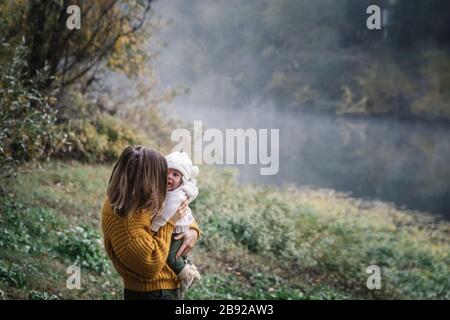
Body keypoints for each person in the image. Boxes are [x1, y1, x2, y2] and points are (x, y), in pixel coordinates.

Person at [101, 146, 201, 300]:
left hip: (164, 287)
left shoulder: (139, 197)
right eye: (160, 176)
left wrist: (192, 230)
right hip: (153, 292)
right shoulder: (126, 222)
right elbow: (151, 264)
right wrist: (171, 222)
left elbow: (176, 209)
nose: (163, 182)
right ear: (143, 178)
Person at [150, 151, 201, 294]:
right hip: (175, 228)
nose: (169, 177)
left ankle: (187, 276)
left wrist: (153, 227)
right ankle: (190, 269)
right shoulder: (166, 191)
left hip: (176, 232)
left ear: (182, 180)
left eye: (175, 175)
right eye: (167, 172)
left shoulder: (177, 196)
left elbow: (165, 215)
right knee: (180, 255)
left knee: (172, 257)